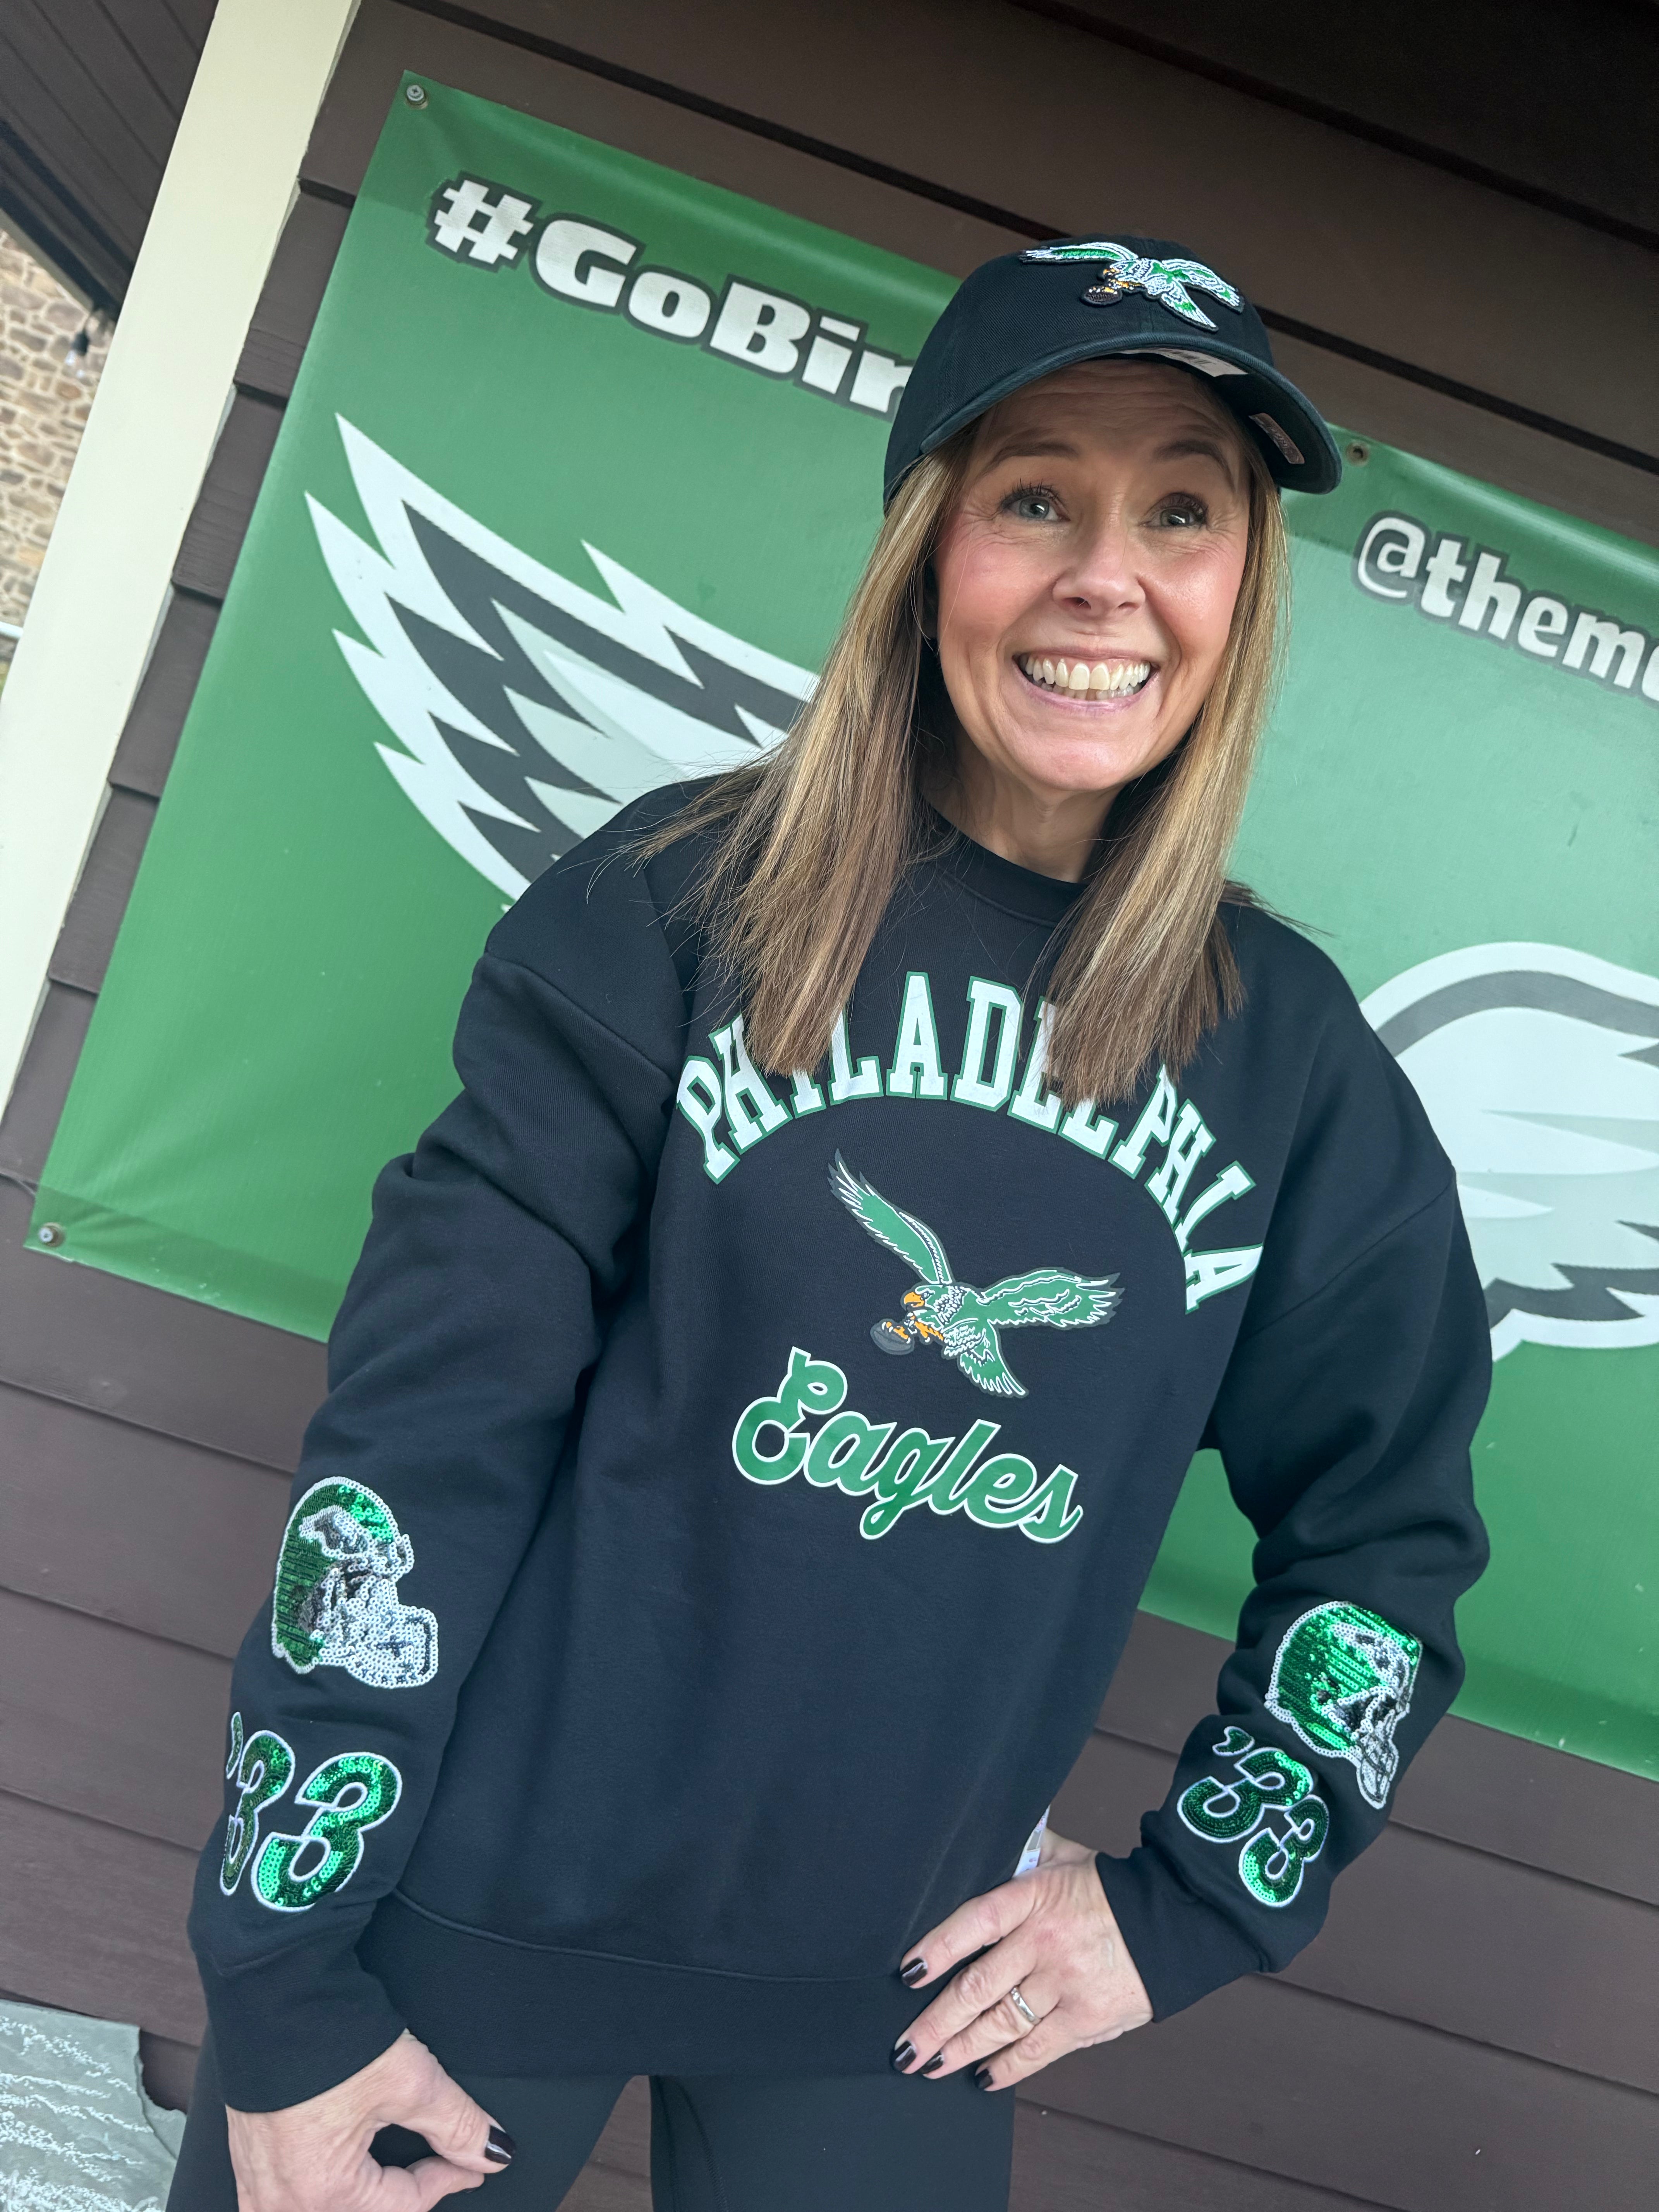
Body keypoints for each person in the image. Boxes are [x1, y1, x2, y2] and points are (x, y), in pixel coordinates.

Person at [168, 235, 1489, 2212]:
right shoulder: (670, 908)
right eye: (1034, 495)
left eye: (1182, 511)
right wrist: (282, 1971)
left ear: (1243, 585)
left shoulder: (1287, 1063)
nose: (1106, 576)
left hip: (900, 2000)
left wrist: (1194, 1904)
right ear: (928, 542)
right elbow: (422, 1441)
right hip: (462, 1925)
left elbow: (1386, 1536)